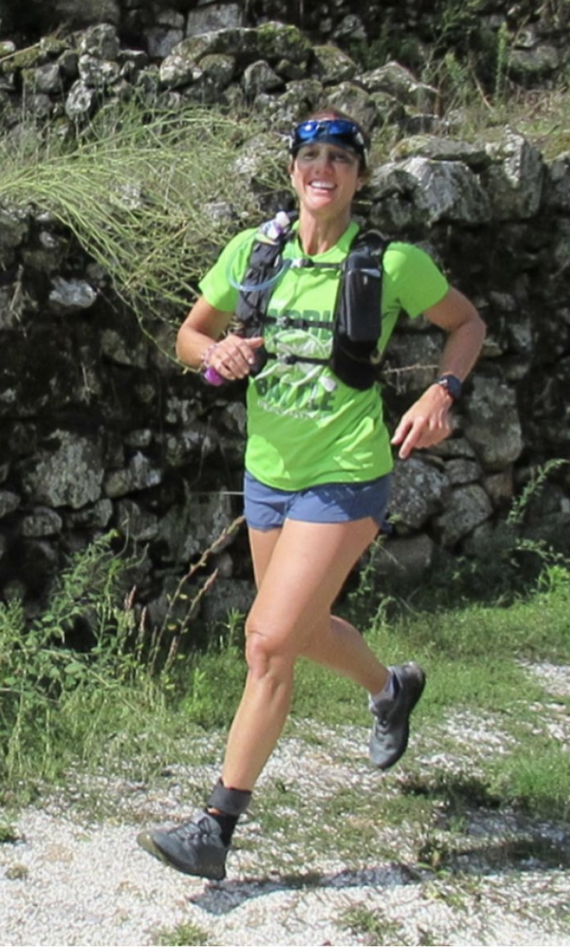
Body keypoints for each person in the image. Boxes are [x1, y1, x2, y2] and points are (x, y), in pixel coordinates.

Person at [137, 110, 485, 881]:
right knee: (295, 630)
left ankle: (215, 827)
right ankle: (390, 689)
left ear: (358, 176)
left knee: (266, 640)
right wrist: (219, 351)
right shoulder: (254, 252)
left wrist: (442, 392)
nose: (321, 169)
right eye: (309, 156)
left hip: (347, 472)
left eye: (338, 158)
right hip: (269, 474)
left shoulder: (389, 263)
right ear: (293, 171)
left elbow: (465, 323)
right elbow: (189, 337)